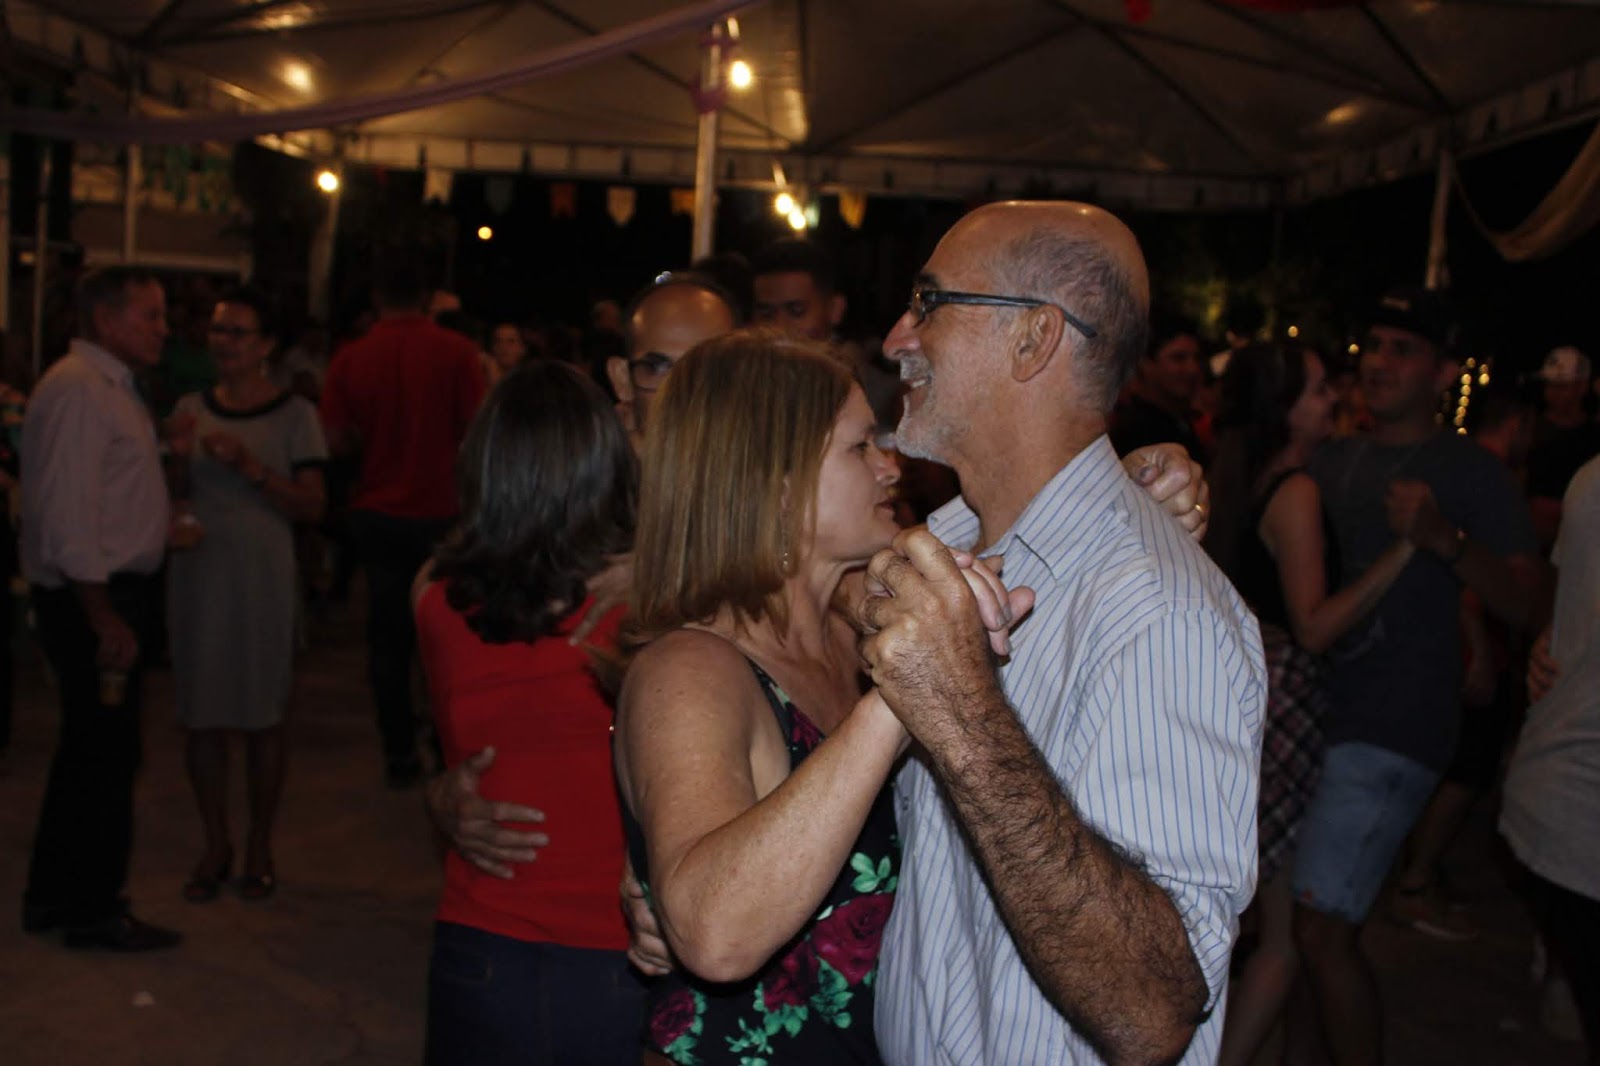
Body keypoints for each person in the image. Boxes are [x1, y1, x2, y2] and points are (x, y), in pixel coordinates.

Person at [850, 201, 1264, 1064]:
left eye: (930, 303)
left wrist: (963, 717)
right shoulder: (946, 548)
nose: (897, 338)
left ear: (1034, 338)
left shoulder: (1160, 611)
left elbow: (1154, 1011)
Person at [1292, 287, 1542, 1066]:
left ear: (1443, 374)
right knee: (1296, 936)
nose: (1380, 361)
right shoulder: (1334, 458)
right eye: (1374, 345)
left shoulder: (1470, 471)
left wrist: (1445, 540)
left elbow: (1529, 602)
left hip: (1396, 724)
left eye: (1403, 349)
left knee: (1323, 930)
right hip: (1313, 715)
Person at [416, 360, 644, 1066]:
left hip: (478, 936)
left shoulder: (434, 596)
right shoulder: (644, 610)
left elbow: (455, 742)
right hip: (616, 948)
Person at [1201, 344, 1415, 1066]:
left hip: (1242, 688)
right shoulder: (1293, 492)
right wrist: (1405, 553)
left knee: (1254, 920)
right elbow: (1315, 624)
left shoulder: (1236, 477)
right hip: (1282, 699)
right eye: (1320, 390)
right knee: (1285, 937)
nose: (1335, 400)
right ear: (1286, 410)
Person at [19, 265, 179, 951]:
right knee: (106, 758)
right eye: (150, 315)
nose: (163, 329)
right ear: (107, 321)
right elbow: (68, 516)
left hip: (105, 591)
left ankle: (54, 896)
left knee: (88, 750)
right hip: (95, 596)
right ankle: (92, 908)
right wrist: (102, 613)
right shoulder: (82, 389)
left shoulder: (108, 386)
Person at [165, 286, 327, 903]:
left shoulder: (295, 415)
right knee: (201, 716)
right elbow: (173, 494)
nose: (224, 343)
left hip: (262, 578)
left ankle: (259, 842)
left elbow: (314, 504)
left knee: (263, 716)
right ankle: (216, 841)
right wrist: (177, 461)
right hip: (199, 574)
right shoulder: (190, 407)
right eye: (218, 331)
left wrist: (251, 468)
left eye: (238, 332)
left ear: (265, 346)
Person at [320, 257, 486, 787]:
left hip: (379, 514)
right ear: (427, 297)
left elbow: (336, 440)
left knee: (387, 640)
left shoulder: (352, 357)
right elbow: (478, 433)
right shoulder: (457, 353)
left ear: (377, 299)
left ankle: (398, 752)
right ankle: (445, 745)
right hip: (443, 515)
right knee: (445, 638)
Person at [1500, 454, 1600, 1065]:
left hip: (1556, 797)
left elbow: (1559, 608)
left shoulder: (1589, 476)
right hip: (1577, 811)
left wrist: (1557, 642)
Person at [1110, 306, 1208, 462]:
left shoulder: (1179, 421)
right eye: (1178, 358)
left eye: (1197, 358)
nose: (1193, 368)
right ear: (1145, 363)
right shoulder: (1138, 431)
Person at [1526, 345, 1599, 551]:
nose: (1552, 393)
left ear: (1582, 387)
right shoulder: (1528, 430)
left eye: (1561, 386)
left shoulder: (1593, 439)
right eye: (1549, 385)